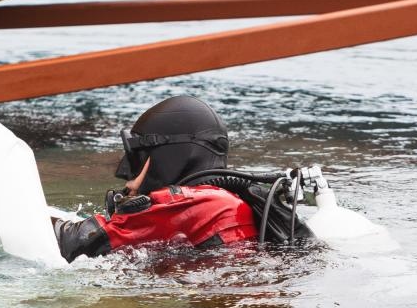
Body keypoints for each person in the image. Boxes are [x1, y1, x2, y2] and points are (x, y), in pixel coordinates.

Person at [53, 95, 280, 262]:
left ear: (167, 158)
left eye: (136, 159)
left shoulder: (191, 202)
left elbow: (74, 244)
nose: (126, 179)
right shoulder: (230, 201)